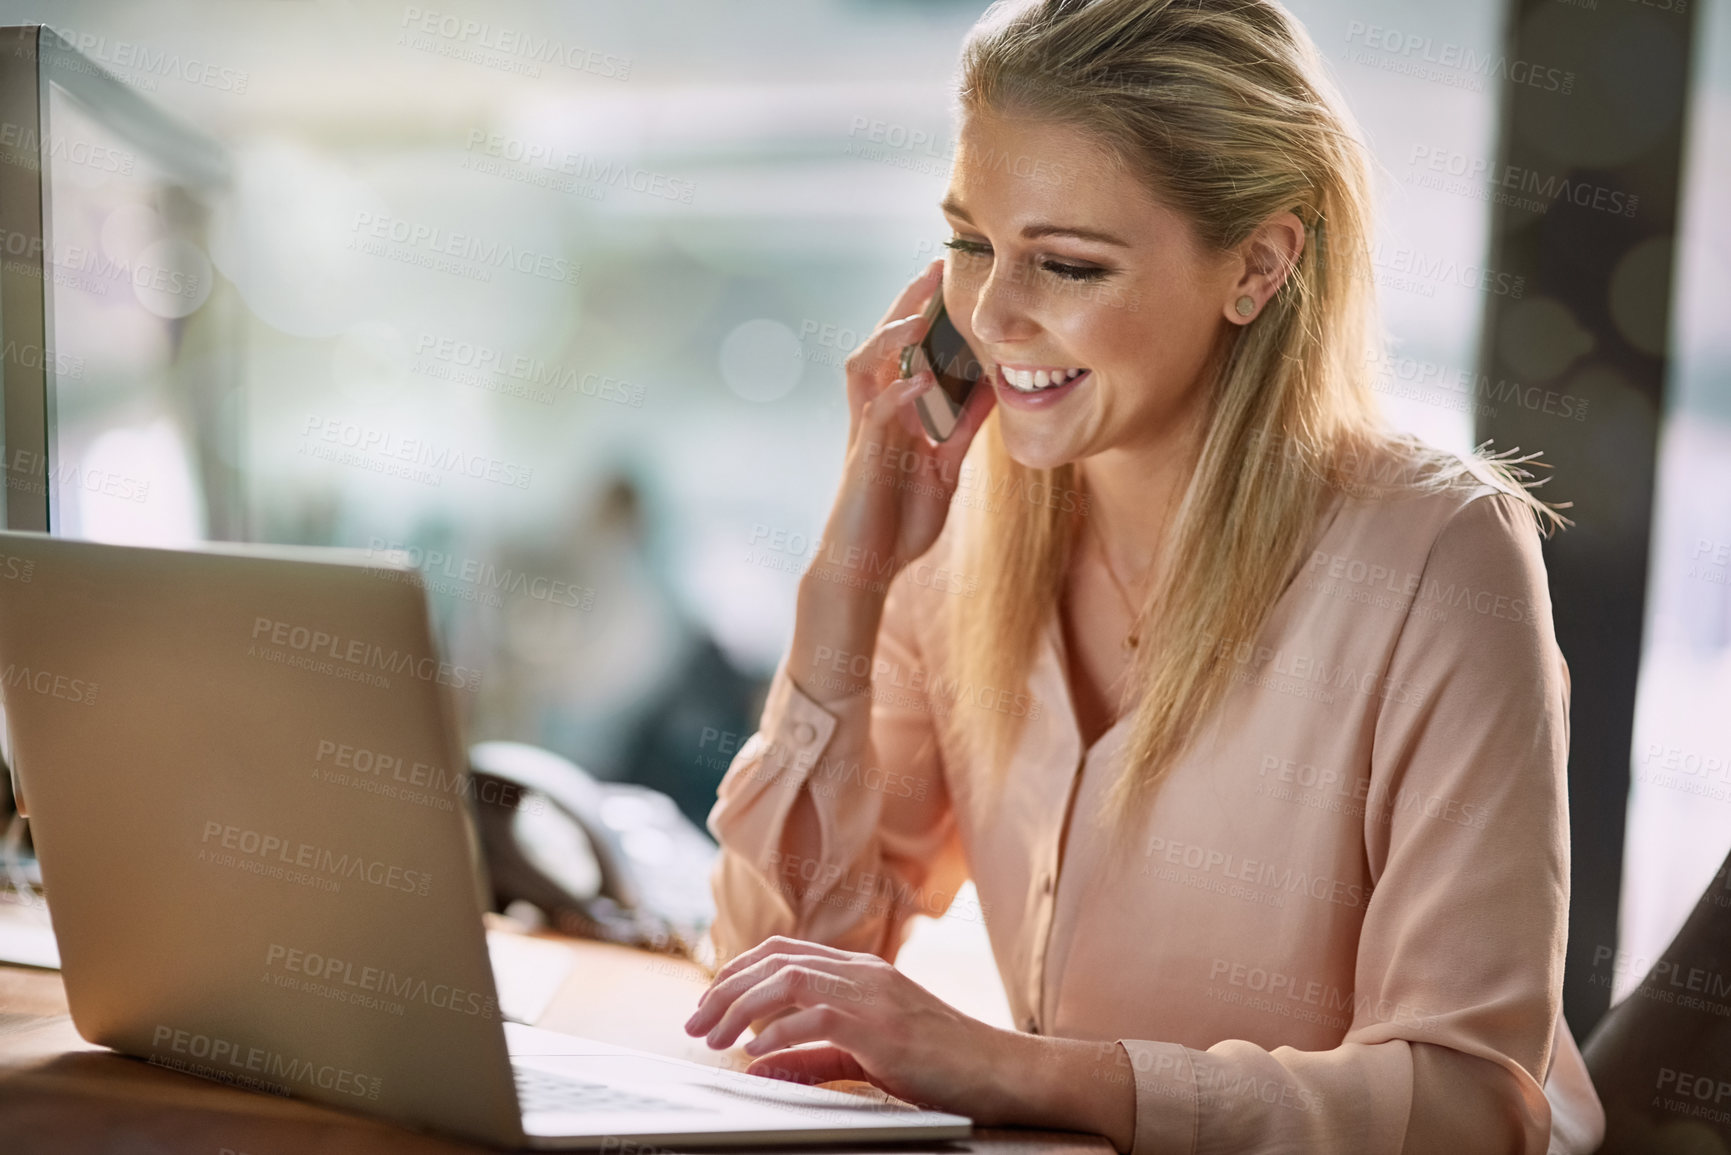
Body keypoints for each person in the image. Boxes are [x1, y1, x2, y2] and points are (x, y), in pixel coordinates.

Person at [683, 0, 1608, 1150]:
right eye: (971, 243)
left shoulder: (1440, 557)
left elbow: (1470, 1111)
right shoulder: (967, 526)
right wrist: (848, 583)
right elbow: (769, 980)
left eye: (1065, 263)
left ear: (1258, 267)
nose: (994, 314)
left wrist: (1015, 1070)